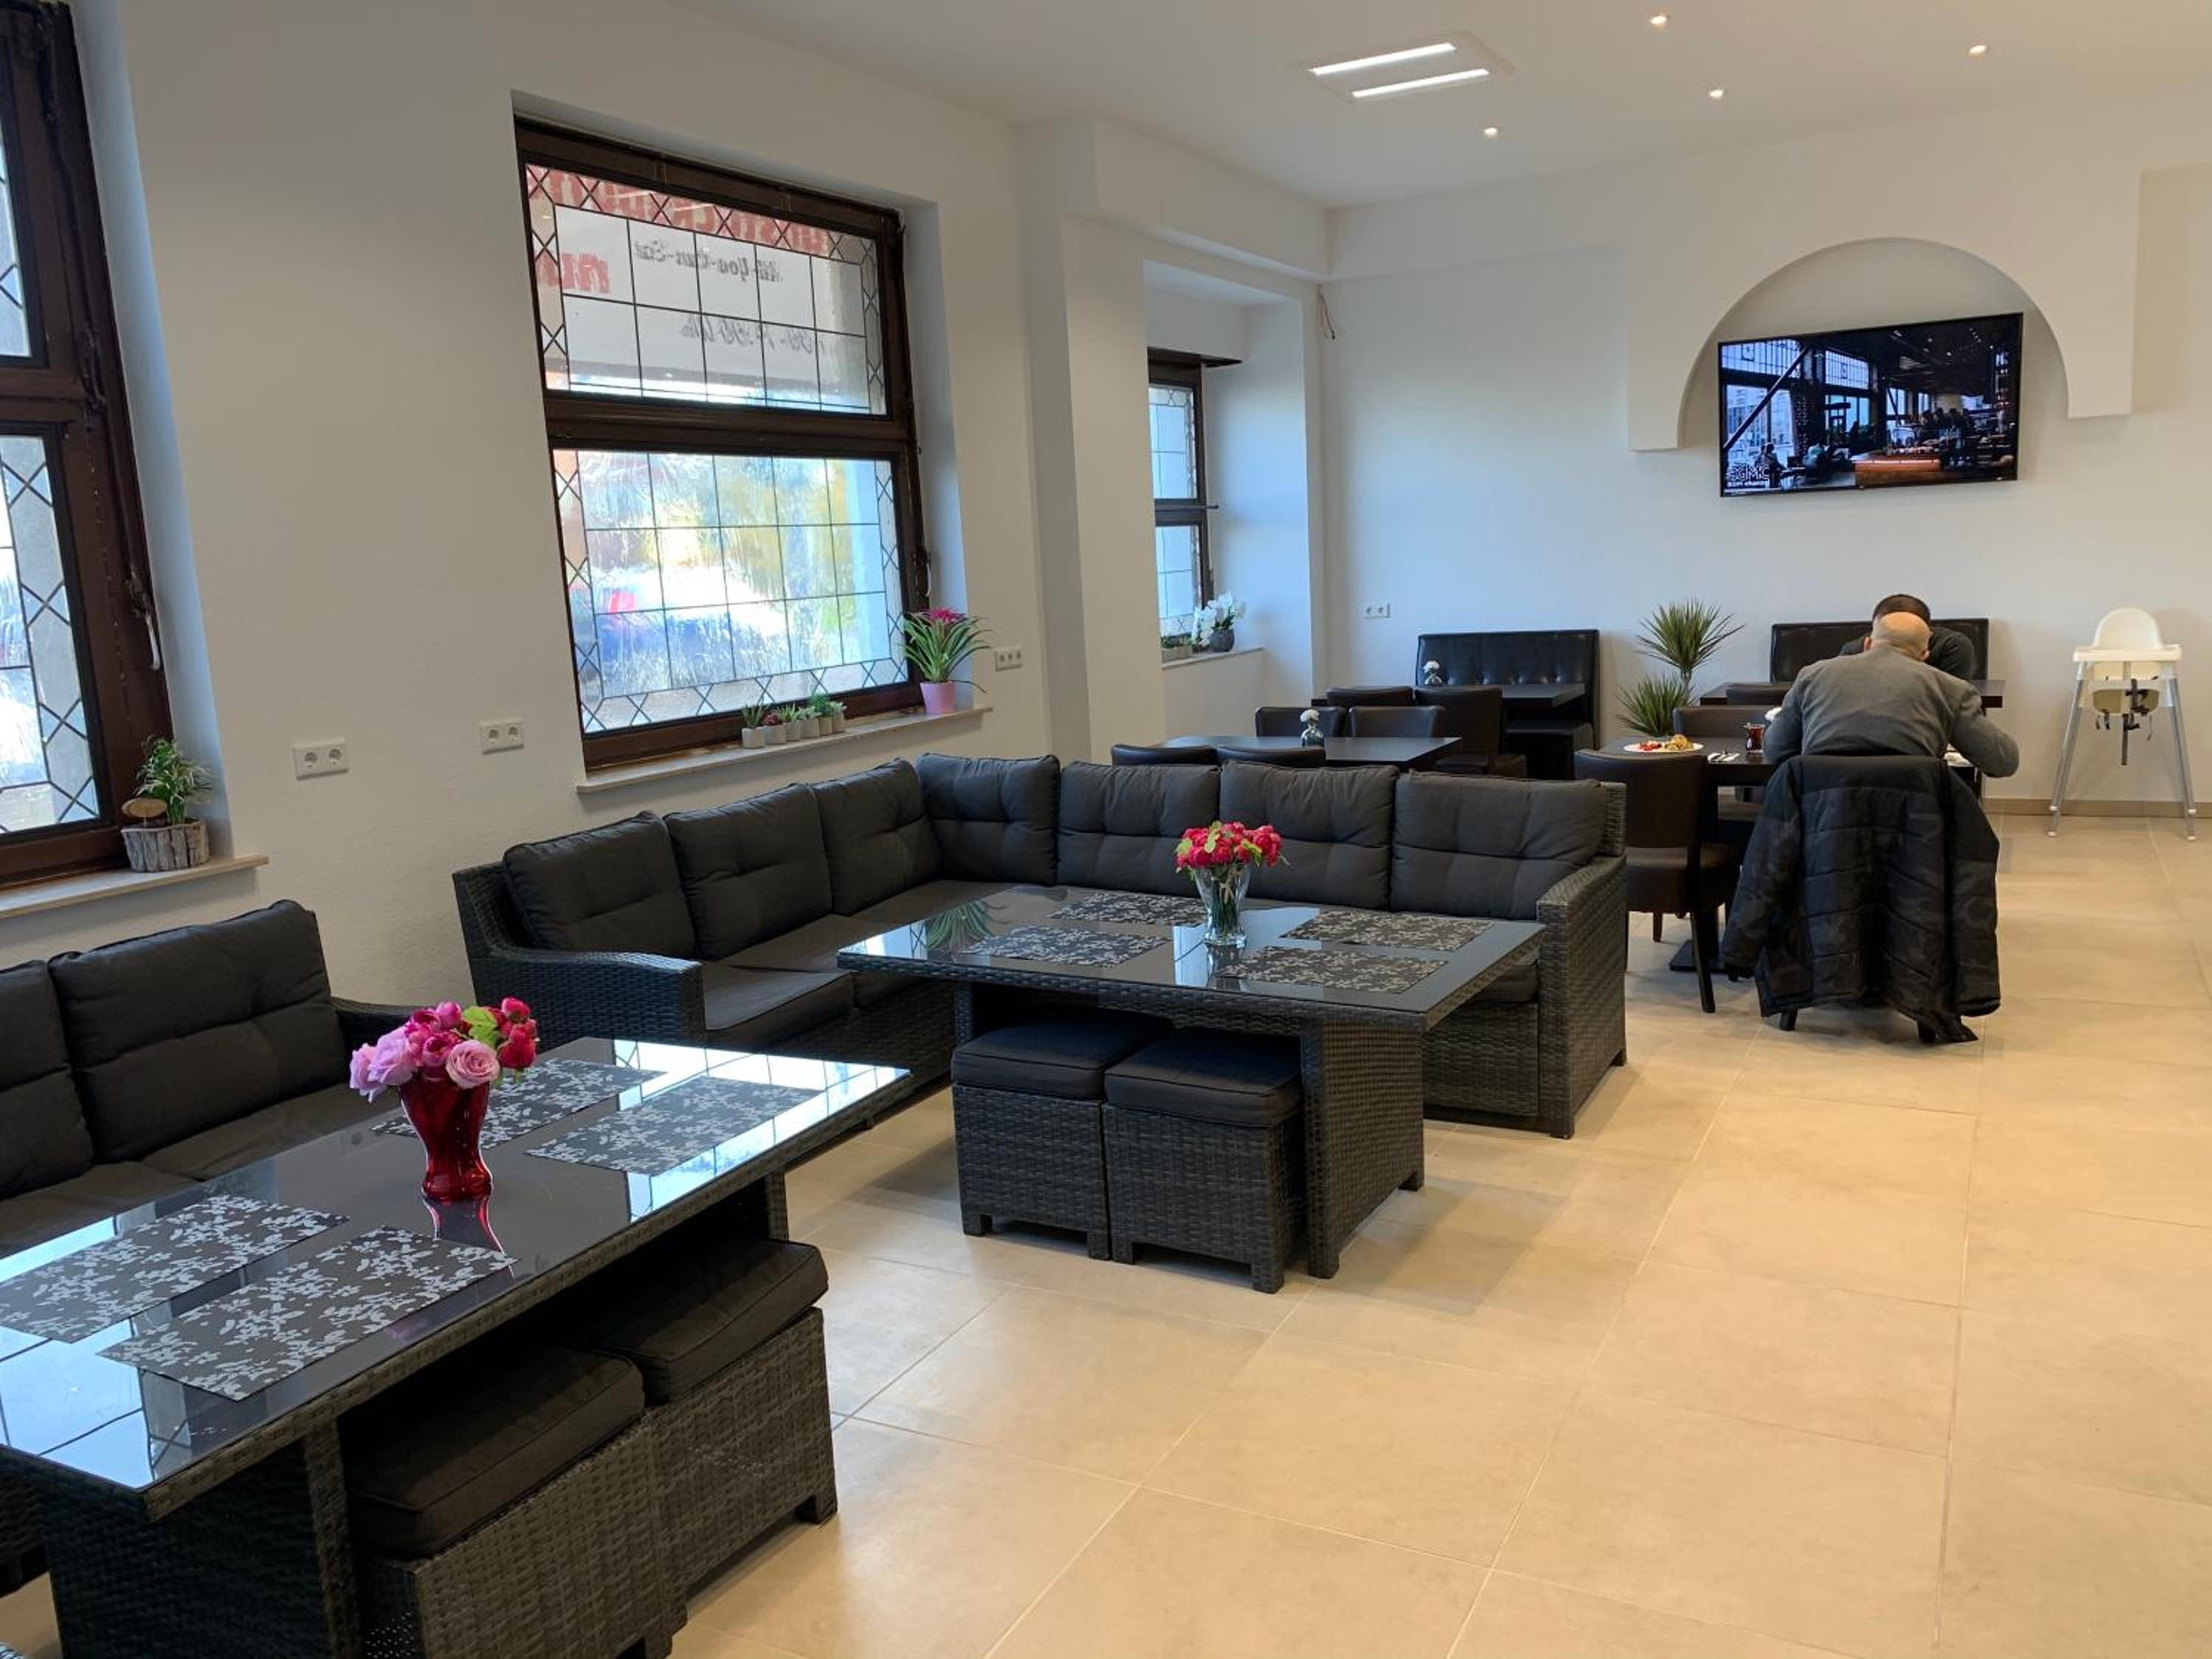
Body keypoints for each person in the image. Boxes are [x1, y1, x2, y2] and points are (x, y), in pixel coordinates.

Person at [1766, 611, 2019, 777]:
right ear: (1924, 656)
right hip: (1917, 828)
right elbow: (2003, 762)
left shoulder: (1812, 675)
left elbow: (1776, 749)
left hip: (1820, 822)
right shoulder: (1950, 688)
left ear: (1867, 644)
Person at [1837, 592, 1977, 681]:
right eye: (1885, 629)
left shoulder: (1952, 646)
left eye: (1904, 633)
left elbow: (1953, 701)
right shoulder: (1852, 652)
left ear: (1927, 635)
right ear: (1868, 642)